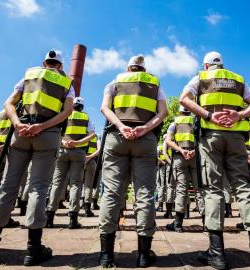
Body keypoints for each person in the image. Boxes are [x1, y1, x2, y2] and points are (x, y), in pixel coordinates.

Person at [180, 51, 250, 269]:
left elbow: (184, 99)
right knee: (244, 187)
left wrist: (208, 116)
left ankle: (217, 254)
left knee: (212, 189)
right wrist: (240, 115)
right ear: (222, 64)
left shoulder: (200, 77)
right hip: (237, 137)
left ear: (206, 64)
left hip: (211, 136)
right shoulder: (238, 79)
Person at [0, 50, 74, 266]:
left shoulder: (28, 76)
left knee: (7, 186)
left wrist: (18, 123)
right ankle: (33, 249)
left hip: (20, 133)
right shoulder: (66, 82)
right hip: (47, 135)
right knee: (38, 187)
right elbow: (68, 111)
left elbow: (9, 104)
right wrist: (42, 126)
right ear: (60, 66)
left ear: (45, 62)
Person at [98, 55, 167, 268]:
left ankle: (106, 256)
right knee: (145, 193)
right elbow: (163, 112)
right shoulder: (154, 83)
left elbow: (104, 108)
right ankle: (144, 255)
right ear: (143, 69)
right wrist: (144, 129)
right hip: (145, 140)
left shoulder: (115, 82)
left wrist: (121, 126)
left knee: (111, 192)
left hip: (117, 138)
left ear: (128, 67)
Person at [46, 97, 95, 228]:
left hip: (62, 151)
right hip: (79, 152)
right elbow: (92, 134)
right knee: (76, 184)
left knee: (57, 183)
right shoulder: (86, 117)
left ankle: (49, 217)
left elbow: (56, 130)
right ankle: (73, 218)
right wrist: (78, 142)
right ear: (82, 106)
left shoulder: (64, 115)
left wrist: (63, 142)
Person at [165, 106, 205, 232]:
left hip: (180, 157)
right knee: (199, 190)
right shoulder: (196, 122)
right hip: (195, 157)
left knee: (181, 189)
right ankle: (206, 223)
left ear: (179, 111)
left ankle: (178, 224)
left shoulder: (174, 123)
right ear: (190, 111)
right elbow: (203, 140)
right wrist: (193, 151)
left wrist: (181, 150)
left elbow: (168, 141)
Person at [82, 134, 100, 217]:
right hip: (91, 161)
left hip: (78, 160)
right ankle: (87, 209)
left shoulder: (78, 135)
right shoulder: (95, 137)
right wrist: (89, 157)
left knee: (76, 185)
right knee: (88, 186)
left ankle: (74, 210)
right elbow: (99, 150)